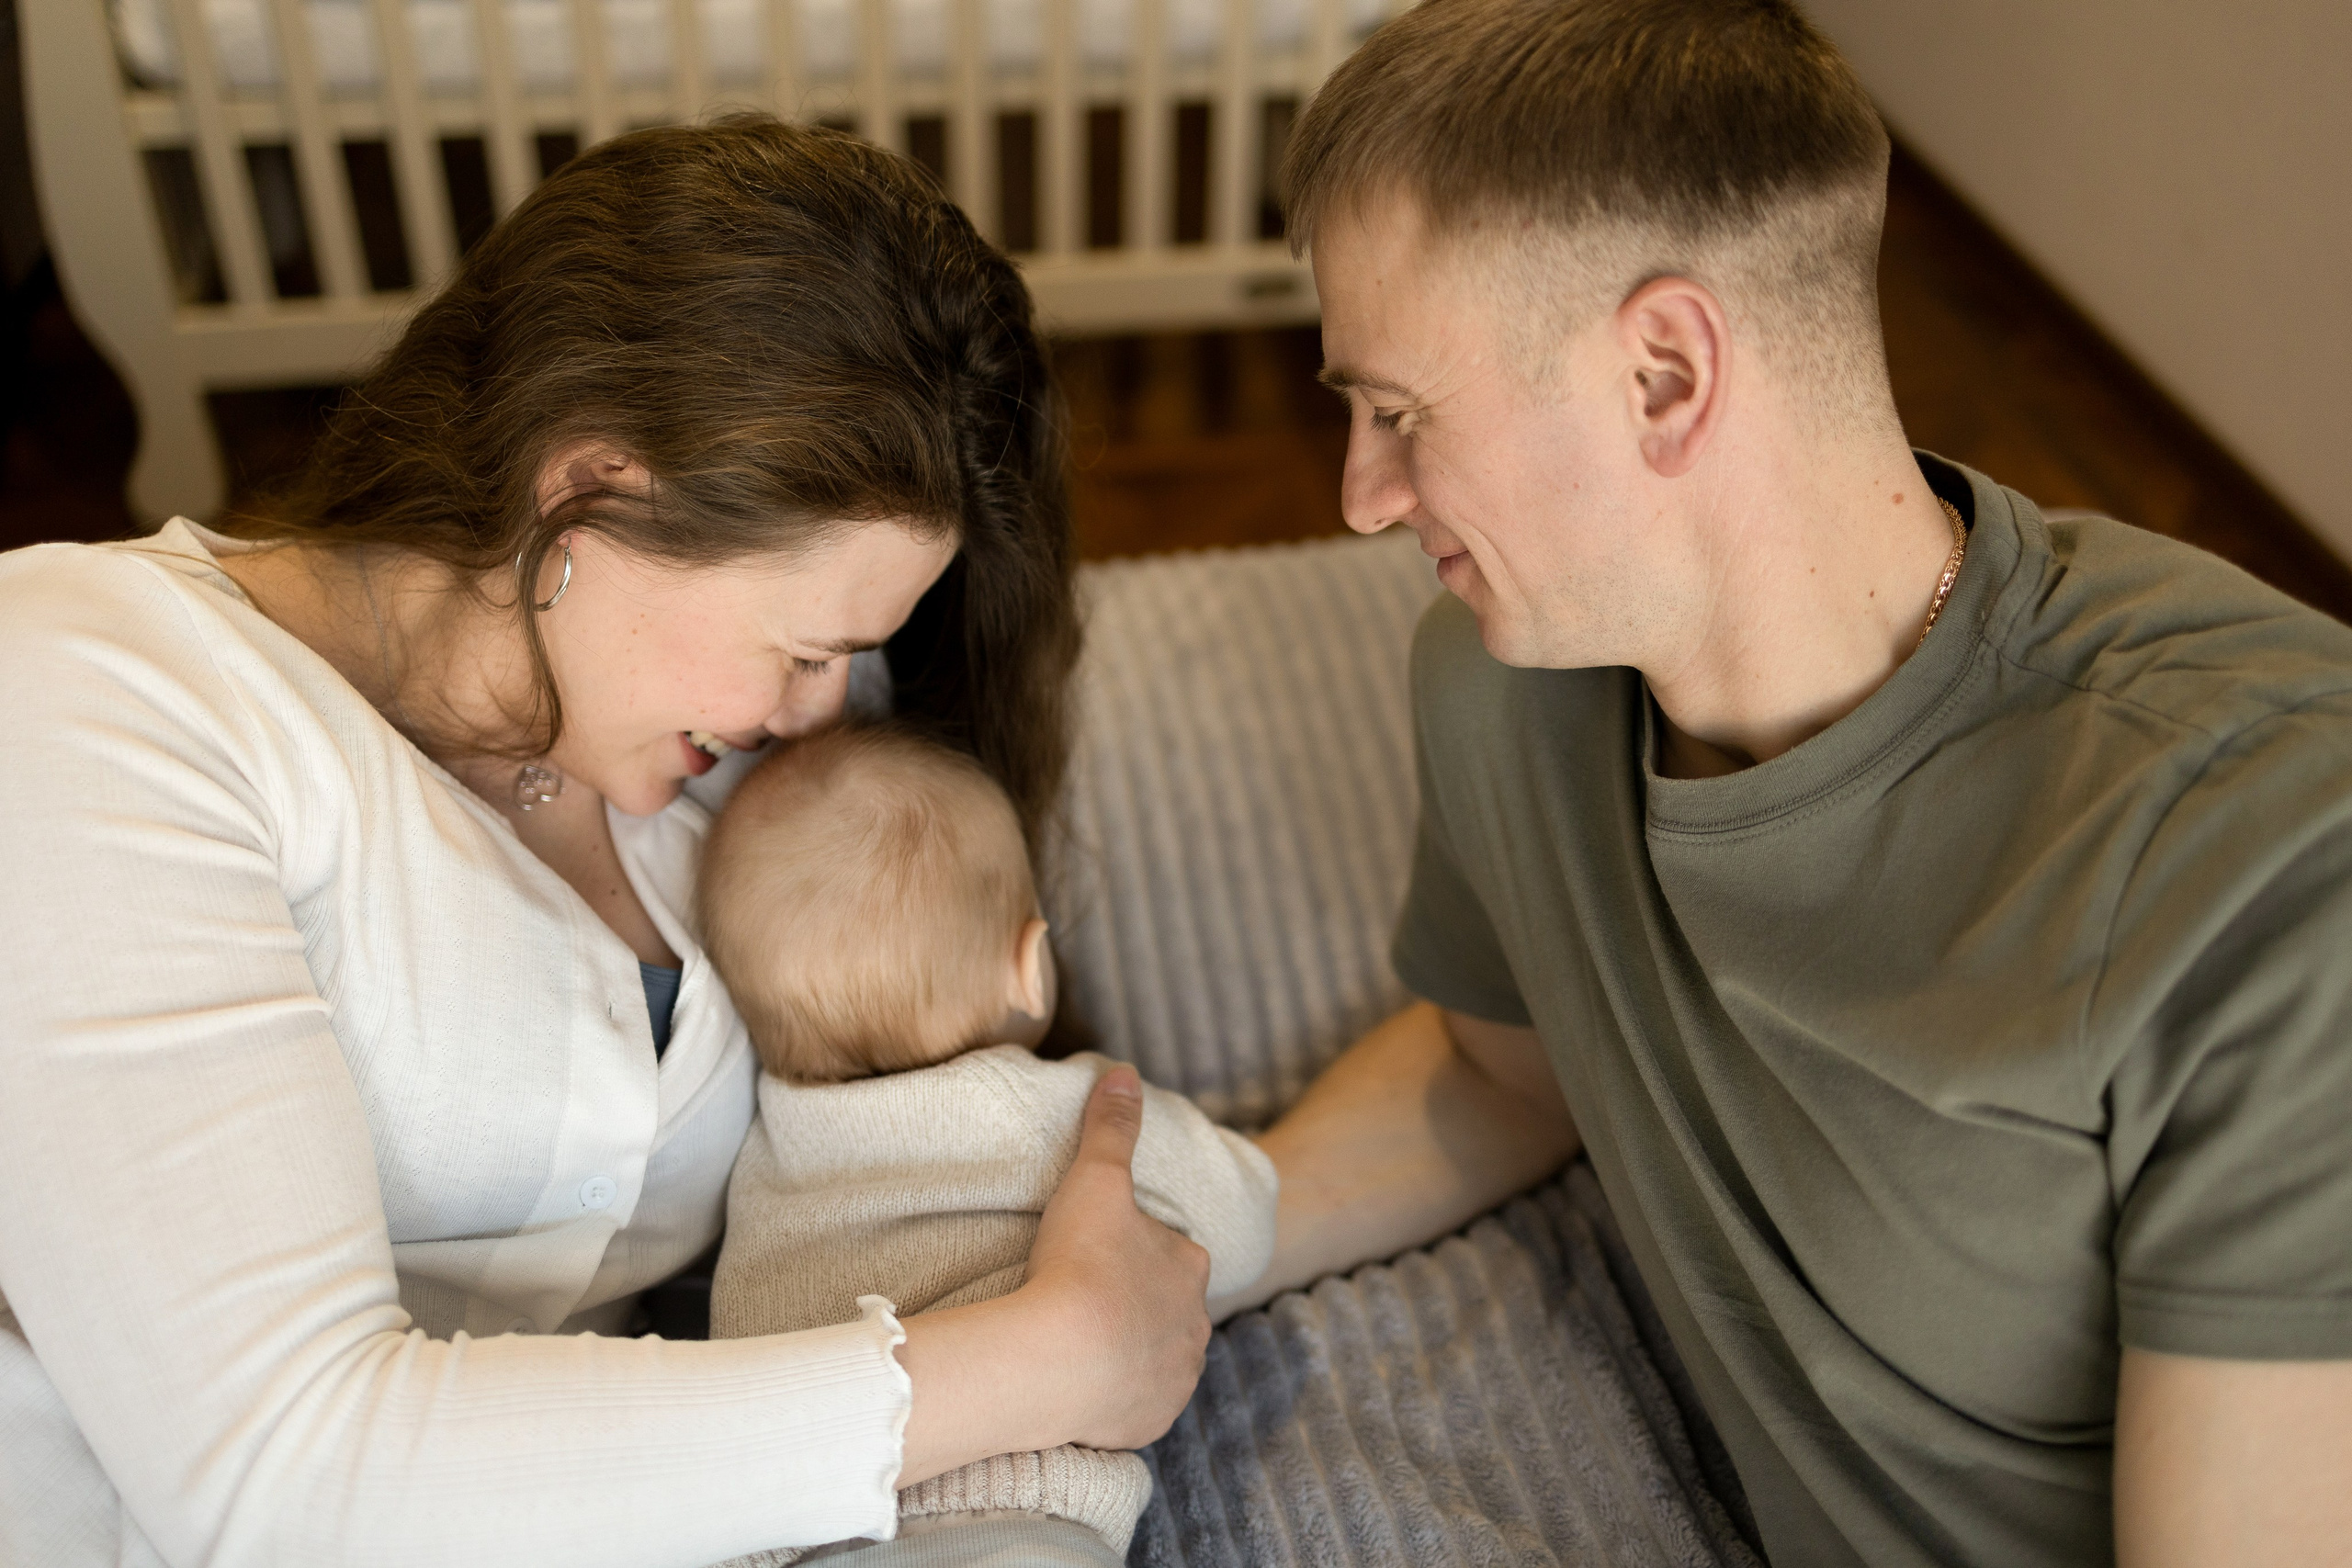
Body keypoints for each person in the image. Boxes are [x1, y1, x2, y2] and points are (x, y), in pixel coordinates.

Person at [1227, 2, 2352, 1564]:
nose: (1360, 496)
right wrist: (1191, 1234)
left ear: (1666, 376)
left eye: (1400, 413)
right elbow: (1503, 1071)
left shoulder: (2270, 858)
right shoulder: (1500, 688)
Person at [0, 118, 1213, 1568]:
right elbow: (281, 1469)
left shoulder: (711, 760)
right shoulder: (93, 684)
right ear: (590, 491)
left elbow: (978, 1165)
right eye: (806, 646)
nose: (817, 708)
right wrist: (1037, 1365)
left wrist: (1477, 1090)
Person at [700, 723, 1278, 1563]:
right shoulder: (1060, 1107)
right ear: (1030, 963)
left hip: (790, 1533)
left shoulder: (761, 1150)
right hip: (1012, 1523)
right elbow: (1242, 1221)